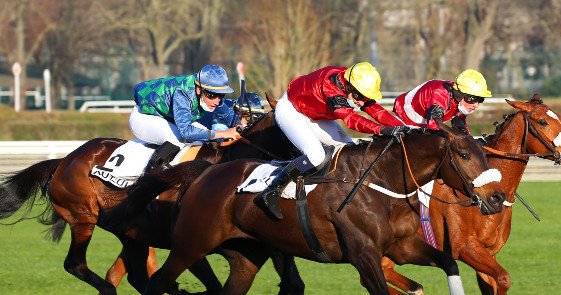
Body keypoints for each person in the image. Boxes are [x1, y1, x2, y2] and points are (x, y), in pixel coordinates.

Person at [254, 61, 410, 220]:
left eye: (365, 97)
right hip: (291, 111)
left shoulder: (355, 86)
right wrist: (381, 130)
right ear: (348, 86)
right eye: (359, 96)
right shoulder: (331, 85)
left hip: (315, 114)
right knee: (316, 156)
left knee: (349, 152)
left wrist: (406, 128)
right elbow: (351, 119)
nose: (362, 102)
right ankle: (272, 191)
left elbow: (377, 112)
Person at [130, 64, 241, 172]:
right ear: (199, 90)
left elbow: (230, 116)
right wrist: (222, 133)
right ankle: (149, 176)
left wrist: (241, 127)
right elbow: (186, 132)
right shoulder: (183, 93)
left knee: (203, 136)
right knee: (177, 139)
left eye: (221, 95)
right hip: (144, 116)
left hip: (167, 118)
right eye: (212, 95)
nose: (216, 101)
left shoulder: (210, 94)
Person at [393, 68, 492, 134]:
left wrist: (472, 142)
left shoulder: (461, 101)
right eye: (472, 99)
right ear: (459, 95)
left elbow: (459, 124)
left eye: (480, 100)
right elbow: (434, 126)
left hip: (427, 119)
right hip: (405, 114)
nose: (476, 105)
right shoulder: (440, 94)